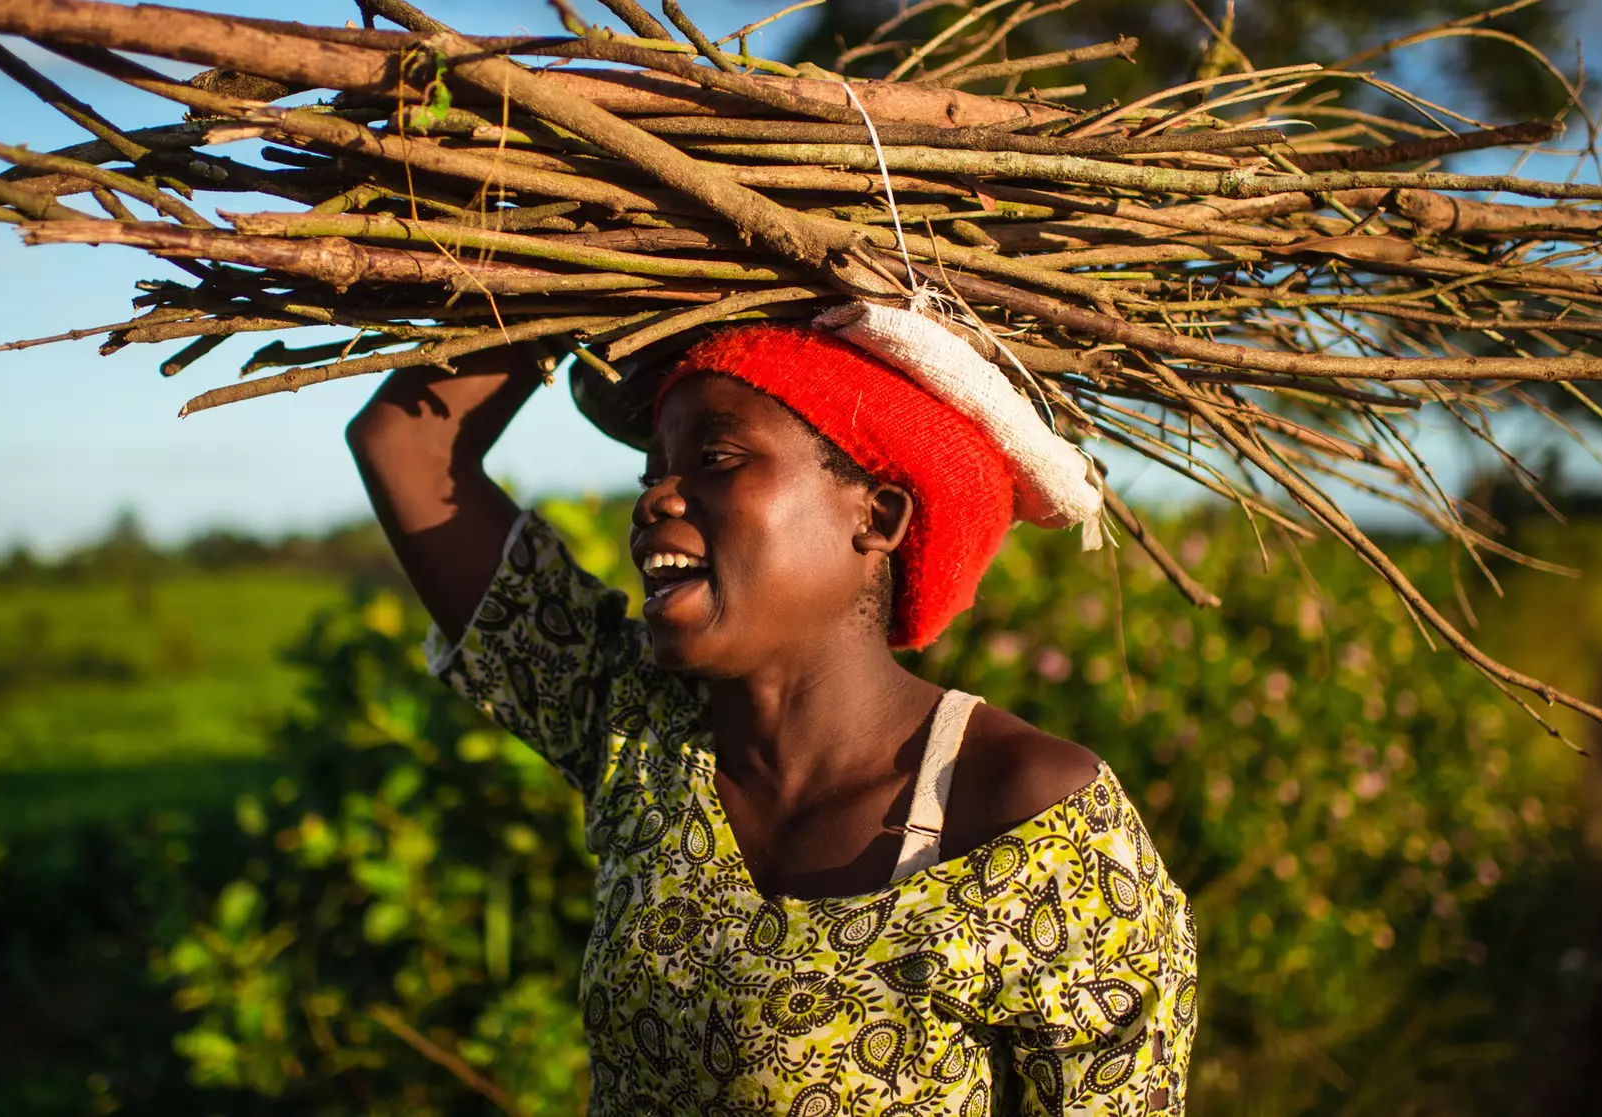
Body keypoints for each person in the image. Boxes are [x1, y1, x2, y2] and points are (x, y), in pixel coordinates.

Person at [347, 303, 1197, 1115]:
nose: (654, 501)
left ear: (880, 514)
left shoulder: (1036, 824)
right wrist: (601, 266)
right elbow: (408, 445)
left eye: (714, 460)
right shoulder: (640, 734)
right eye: (651, 471)